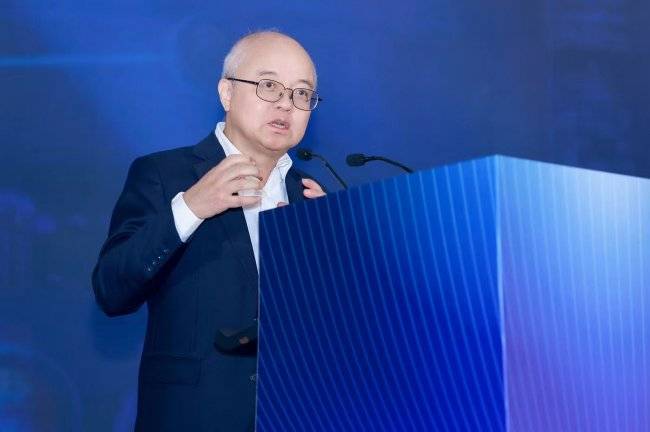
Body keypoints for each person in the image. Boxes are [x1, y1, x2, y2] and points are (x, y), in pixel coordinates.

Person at [92, 30, 326, 431]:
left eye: (301, 93)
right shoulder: (164, 175)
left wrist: (336, 257)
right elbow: (111, 290)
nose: (286, 104)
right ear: (227, 93)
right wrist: (191, 207)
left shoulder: (314, 197)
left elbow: (342, 334)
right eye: (269, 86)